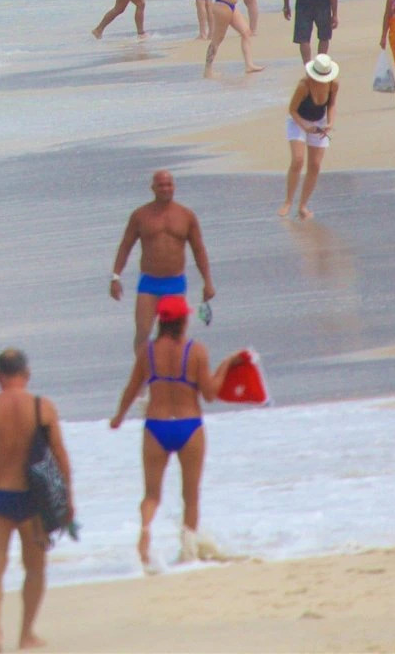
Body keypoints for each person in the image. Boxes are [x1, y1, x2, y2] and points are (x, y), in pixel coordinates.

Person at [109, 295, 240, 567]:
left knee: (151, 494)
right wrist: (227, 364)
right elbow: (210, 394)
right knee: (190, 495)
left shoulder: (147, 352)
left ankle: (145, 532)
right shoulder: (196, 351)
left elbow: (133, 388)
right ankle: (189, 552)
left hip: (156, 426)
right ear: (182, 320)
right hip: (188, 426)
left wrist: (119, 417)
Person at [0, 348, 69, 653]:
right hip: (34, 500)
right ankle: (27, 634)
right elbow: (59, 455)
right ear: (27, 374)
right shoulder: (42, 407)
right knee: (35, 568)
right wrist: (67, 499)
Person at [106, 170, 216, 346]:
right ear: (153, 188)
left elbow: (199, 250)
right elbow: (125, 246)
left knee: (174, 336)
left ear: (174, 187)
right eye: (161, 185)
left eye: (169, 184)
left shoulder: (186, 216)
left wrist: (208, 282)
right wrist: (115, 277)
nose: (165, 189)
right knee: (142, 333)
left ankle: (170, 371)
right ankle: (144, 372)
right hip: (149, 283)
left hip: (175, 283)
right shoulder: (140, 216)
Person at [281, 55, 340, 219]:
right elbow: (292, 110)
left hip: (319, 121)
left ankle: (303, 205)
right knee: (298, 160)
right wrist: (305, 126)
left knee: (315, 165)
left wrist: (330, 122)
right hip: (297, 120)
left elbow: (332, 104)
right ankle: (288, 201)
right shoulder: (303, 86)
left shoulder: (333, 85)